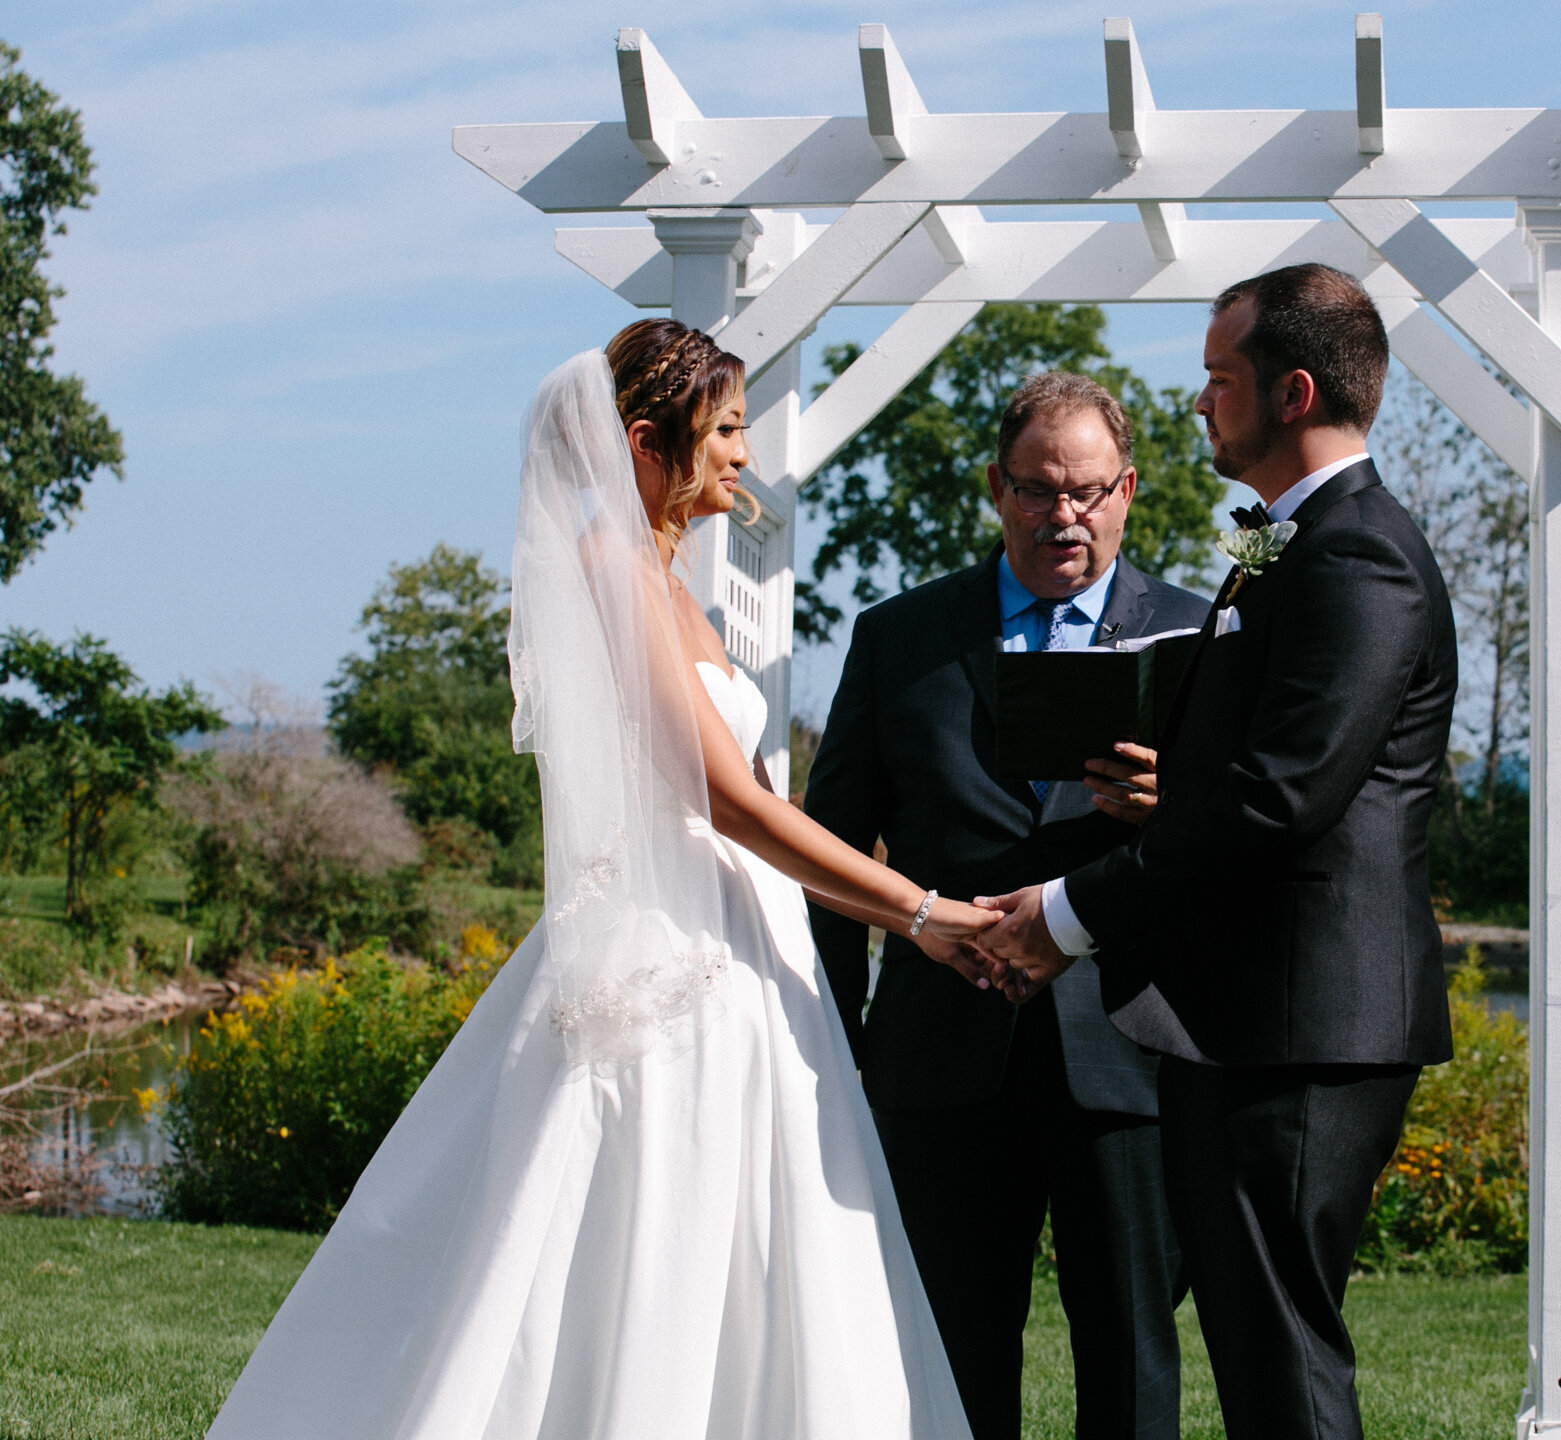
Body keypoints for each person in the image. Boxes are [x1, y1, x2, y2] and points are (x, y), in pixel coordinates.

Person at [207, 319, 998, 1440]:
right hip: (669, 960)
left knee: (762, 1249)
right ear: (645, 437)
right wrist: (917, 913)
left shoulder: (670, 581)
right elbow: (728, 802)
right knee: (647, 1230)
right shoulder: (611, 571)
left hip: (740, 949)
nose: (744, 456)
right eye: (724, 430)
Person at [974, 266, 1458, 1440]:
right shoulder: (1297, 547)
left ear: (1290, 393)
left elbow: (1281, 802)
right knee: (1254, 1349)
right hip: (1253, 1021)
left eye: (1219, 378)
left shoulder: (1357, 557)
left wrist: (1066, 914)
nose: (1199, 401)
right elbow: (1260, 781)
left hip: (1303, 1026)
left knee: (1281, 1359)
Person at [803, 371, 1210, 1440]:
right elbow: (835, 854)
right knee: (942, 1353)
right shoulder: (899, 639)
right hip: (938, 1062)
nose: (1061, 517)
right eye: (1036, 490)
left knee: (1129, 1355)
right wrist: (827, 1043)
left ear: (1128, 492)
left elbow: (1250, 850)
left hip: (1129, 1054)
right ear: (995, 488)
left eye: (1085, 492)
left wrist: (1176, 808)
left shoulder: (1202, 635)